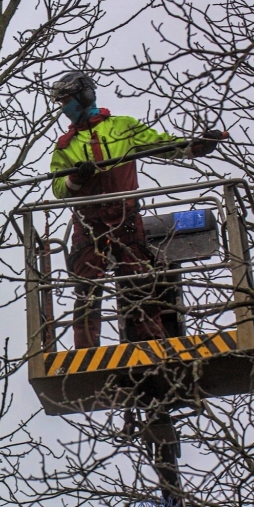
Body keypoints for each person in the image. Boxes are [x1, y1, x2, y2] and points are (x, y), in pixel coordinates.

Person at [48, 70, 226, 348]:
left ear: (84, 95)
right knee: (86, 290)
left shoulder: (123, 127)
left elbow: (163, 145)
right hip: (89, 224)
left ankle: (152, 343)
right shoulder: (65, 147)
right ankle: (86, 351)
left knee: (139, 283)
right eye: (61, 101)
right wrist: (76, 177)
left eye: (67, 99)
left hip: (125, 218)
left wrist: (196, 147)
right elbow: (58, 189)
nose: (64, 107)